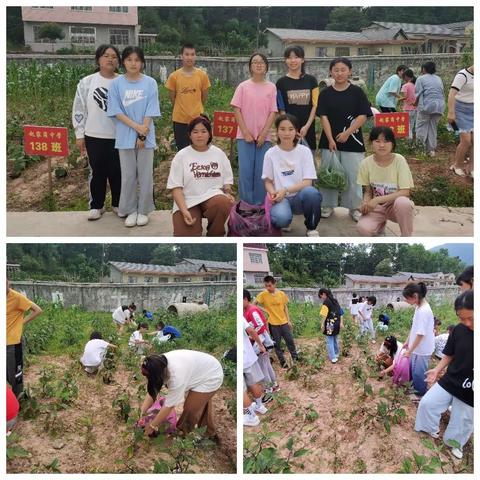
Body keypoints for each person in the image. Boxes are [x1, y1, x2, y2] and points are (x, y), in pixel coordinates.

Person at [415, 290, 473, 460]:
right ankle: (430, 429)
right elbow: (450, 354)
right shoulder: (459, 330)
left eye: (470, 318)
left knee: (462, 420)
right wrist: (437, 369)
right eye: (462, 319)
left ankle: (455, 443)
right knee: (427, 403)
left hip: (471, 388)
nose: (467, 323)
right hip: (451, 379)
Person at [107, 46, 161, 228]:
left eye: (137, 60)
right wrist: (136, 127)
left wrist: (143, 132)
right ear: (123, 62)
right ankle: (130, 210)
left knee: (146, 175)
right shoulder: (116, 84)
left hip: (146, 136)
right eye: (129, 59)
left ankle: (144, 210)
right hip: (125, 136)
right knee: (128, 175)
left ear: (142, 63)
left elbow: (151, 109)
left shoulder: (150, 83)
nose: (133, 63)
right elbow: (115, 111)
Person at [316, 57, 372, 221]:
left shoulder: (357, 92)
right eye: (336, 70)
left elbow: (363, 116)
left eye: (343, 69)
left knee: (354, 175)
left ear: (350, 71)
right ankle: (327, 205)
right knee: (329, 174)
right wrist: (331, 139)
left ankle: (354, 207)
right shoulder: (325, 93)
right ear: (330, 72)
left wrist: (347, 133)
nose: (339, 73)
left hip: (353, 141)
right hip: (329, 142)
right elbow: (323, 117)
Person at [72, 44, 122, 222]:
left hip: (119, 136)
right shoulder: (87, 82)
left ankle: (118, 203)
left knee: (118, 172)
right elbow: (79, 109)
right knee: (97, 172)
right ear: (98, 59)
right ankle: (96, 205)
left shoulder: (123, 81)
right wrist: (79, 134)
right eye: (106, 56)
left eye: (114, 56)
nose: (110, 59)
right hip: (94, 135)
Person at [166, 115, 235, 236]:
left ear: (209, 134)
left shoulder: (218, 154)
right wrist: (183, 210)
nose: (199, 135)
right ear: (189, 135)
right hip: (188, 201)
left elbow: (227, 180)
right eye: (195, 132)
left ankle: (215, 234)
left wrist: (228, 193)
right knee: (186, 236)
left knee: (223, 202)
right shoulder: (181, 156)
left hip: (212, 197)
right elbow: (176, 188)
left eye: (204, 131)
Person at [139, 350, 223, 438]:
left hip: (211, 375)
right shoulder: (155, 363)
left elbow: (169, 405)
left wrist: (152, 426)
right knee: (199, 403)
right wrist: (141, 415)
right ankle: (210, 432)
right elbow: (152, 392)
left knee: (190, 408)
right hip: (200, 369)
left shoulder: (176, 376)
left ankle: (182, 434)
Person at [262, 114, 322, 236]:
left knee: (312, 193)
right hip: (281, 198)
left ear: (296, 131)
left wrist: (285, 190)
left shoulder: (304, 152)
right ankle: (286, 220)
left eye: (291, 129)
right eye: (282, 129)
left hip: (300, 196)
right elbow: (267, 181)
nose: (286, 133)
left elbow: (307, 182)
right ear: (277, 131)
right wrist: (273, 193)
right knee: (281, 219)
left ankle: (311, 227)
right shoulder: (270, 153)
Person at [231, 52, 277, 205]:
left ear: (266, 67)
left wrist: (264, 133)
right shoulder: (243, 86)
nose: (258, 64)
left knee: (262, 173)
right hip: (245, 137)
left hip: (265, 138)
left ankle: (260, 205)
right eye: (255, 62)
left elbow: (273, 111)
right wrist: (245, 132)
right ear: (250, 67)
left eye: (262, 62)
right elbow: (236, 109)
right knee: (245, 172)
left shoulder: (271, 87)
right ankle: (245, 204)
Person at [357, 126, 414, 237]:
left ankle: (406, 238)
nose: (382, 145)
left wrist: (377, 199)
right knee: (363, 229)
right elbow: (368, 191)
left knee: (404, 203)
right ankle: (380, 225)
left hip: (395, 206)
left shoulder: (399, 160)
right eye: (377, 141)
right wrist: (365, 203)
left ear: (392, 143)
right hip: (377, 207)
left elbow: (405, 192)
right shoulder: (365, 163)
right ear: (371, 143)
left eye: (386, 141)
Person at [165, 43, 211, 151]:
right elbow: (172, 98)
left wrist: (196, 108)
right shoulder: (174, 76)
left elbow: (204, 97)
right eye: (186, 54)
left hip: (197, 119)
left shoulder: (202, 75)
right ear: (181, 56)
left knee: (198, 148)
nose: (189, 57)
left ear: (195, 56)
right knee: (182, 150)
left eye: (192, 54)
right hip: (179, 120)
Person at [276, 45, 319, 151]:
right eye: (289, 58)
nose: (293, 60)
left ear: (302, 59)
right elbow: (281, 109)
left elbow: (315, 105)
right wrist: (291, 129)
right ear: (285, 60)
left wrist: (307, 126)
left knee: (308, 162)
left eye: (296, 57)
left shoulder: (312, 80)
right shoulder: (281, 83)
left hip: (308, 130)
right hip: (288, 132)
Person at [7, 280, 43, 398]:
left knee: (15, 376)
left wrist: (21, 322)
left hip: (13, 344)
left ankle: (19, 401)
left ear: (8, 284)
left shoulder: (17, 298)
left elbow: (37, 310)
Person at [254, 275, 298, 368]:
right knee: (277, 344)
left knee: (290, 341)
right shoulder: (263, 294)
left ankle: (295, 358)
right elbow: (254, 304)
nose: (268, 288)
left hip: (284, 322)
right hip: (273, 324)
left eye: (269, 285)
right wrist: (264, 310)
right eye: (266, 286)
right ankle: (283, 362)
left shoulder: (281, 294)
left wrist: (288, 320)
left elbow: (285, 307)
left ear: (275, 284)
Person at [402, 282, 435, 399]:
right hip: (417, 347)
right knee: (414, 370)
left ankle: (420, 394)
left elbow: (420, 334)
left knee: (419, 373)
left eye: (407, 298)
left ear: (415, 296)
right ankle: (415, 387)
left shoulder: (424, 311)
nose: (406, 301)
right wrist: (407, 341)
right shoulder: (418, 307)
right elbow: (414, 327)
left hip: (422, 348)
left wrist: (409, 351)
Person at [243, 289, 278, 396]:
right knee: (266, 364)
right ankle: (274, 385)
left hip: (261, 343)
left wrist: (253, 338)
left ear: (245, 299)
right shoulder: (247, 310)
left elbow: (260, 326)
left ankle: (269, 388)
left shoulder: (252, 310)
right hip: (260, 342)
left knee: (263, 366)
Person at [447, 65, 474, 177]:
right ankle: (457, 165)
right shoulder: (462, 75)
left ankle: (472, 167)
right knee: (466, 141)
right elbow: (452, 93)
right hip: (460, 110)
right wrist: (451, 112)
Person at [414, 61, 445, 157]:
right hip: (439, 106)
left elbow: (418, 94)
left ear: (424, 69)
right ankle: (431, 150)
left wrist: (415, 104)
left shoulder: (421, 78)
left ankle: (420, 150)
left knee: (421, 127)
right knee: (432, 128)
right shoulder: (438, 78)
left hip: (426, 106)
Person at [243, 318, 268, 427]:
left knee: (241, 391)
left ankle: (251, 417)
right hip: (248, 355)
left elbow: (251, 330)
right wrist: (260, 345)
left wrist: (260, 344)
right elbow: (251, 330)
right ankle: (259, 406)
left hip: (241, 358)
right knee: (254, 383)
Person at [318, 288, 343, 363]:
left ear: (324, 294)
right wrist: (341, 323)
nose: (321, 298)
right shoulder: (335, 301)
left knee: (329, 341)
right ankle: (336, 354)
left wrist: (322, 324)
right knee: (335, 339)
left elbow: (324, 315)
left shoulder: (326, 302)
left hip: (330, 324)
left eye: (321, 296)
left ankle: (333, 357)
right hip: (337, 323)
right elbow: (341, 312)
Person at [399, 68, 417, 141]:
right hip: (415, 108)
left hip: (407, 108)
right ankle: (411, 139)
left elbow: (405, 97)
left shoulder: (405, 86)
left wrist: (399, 99)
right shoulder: (415, 85)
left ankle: (409, 140)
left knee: (407, 125)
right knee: (411, 125)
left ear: (406, 76)